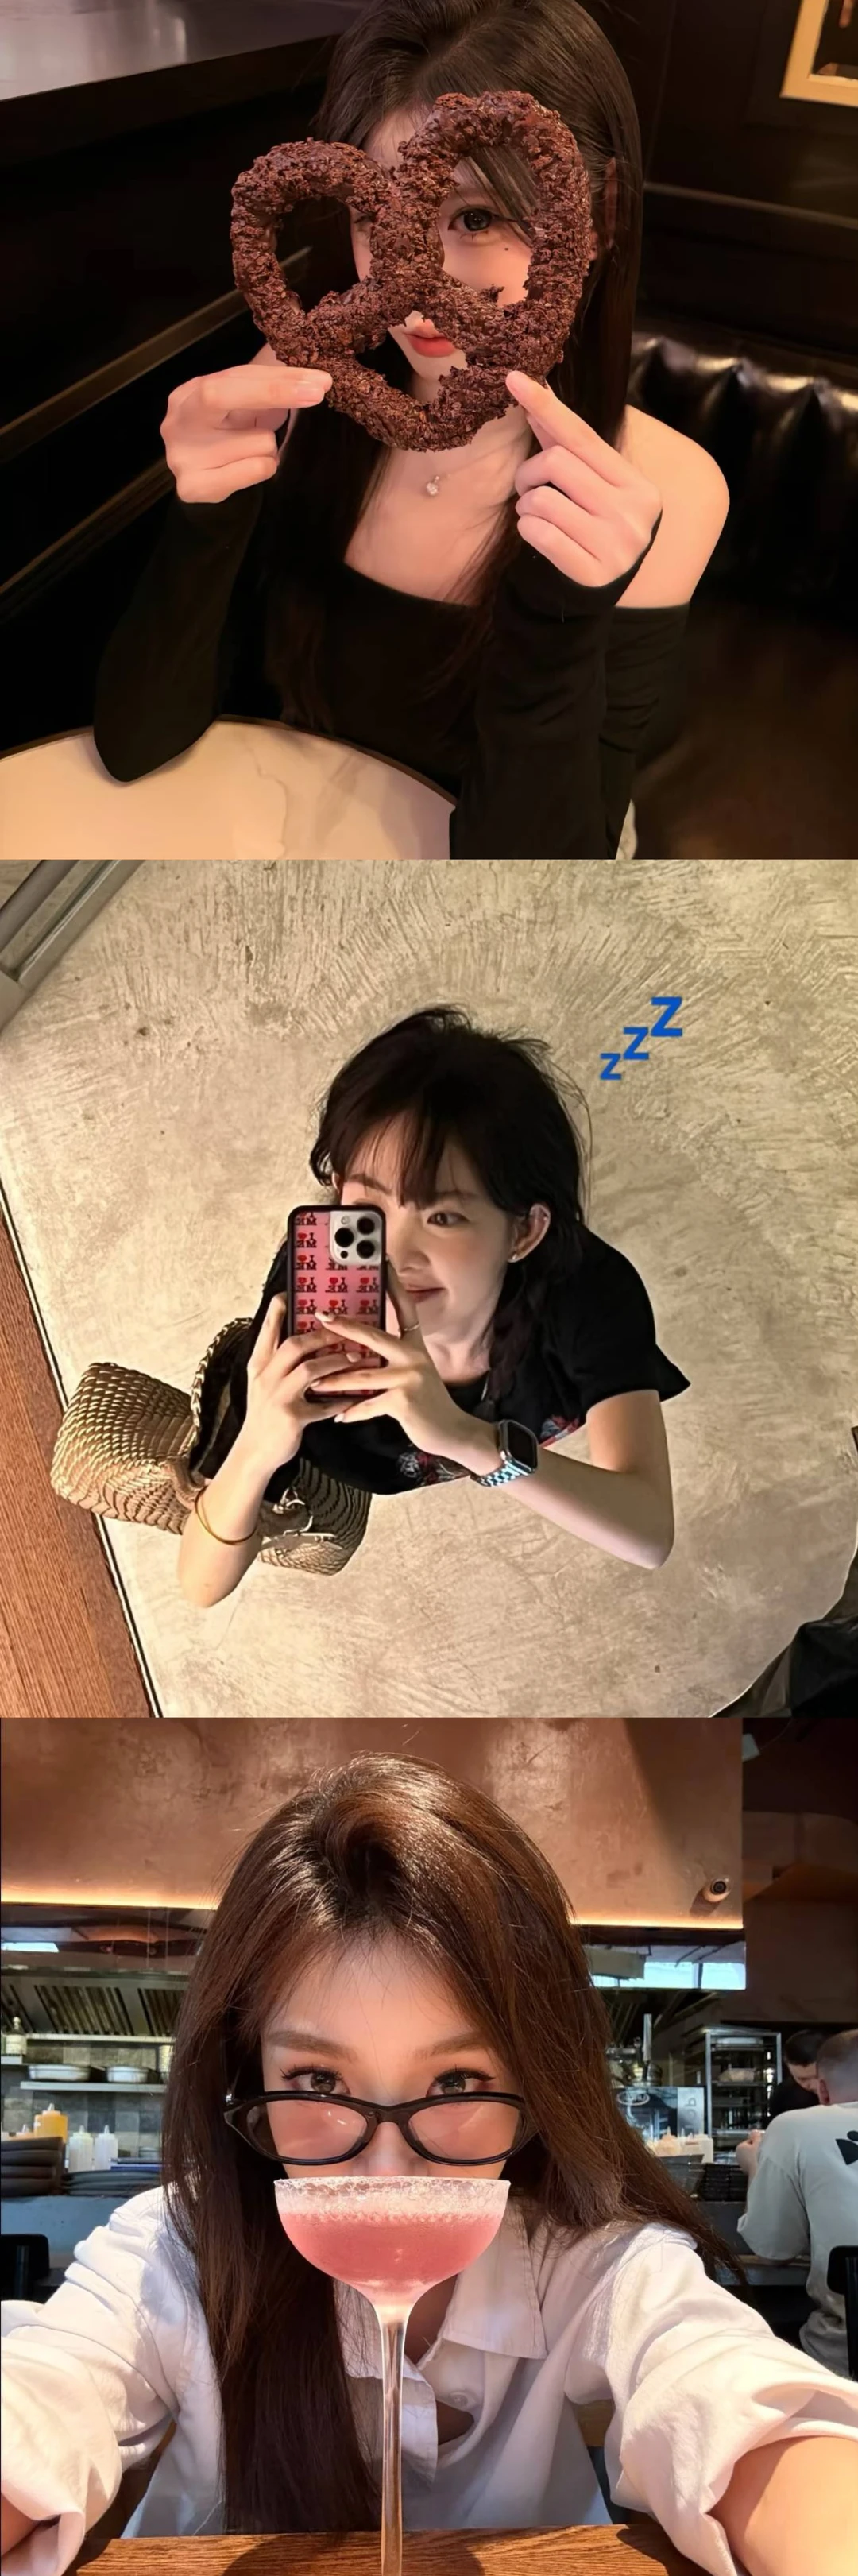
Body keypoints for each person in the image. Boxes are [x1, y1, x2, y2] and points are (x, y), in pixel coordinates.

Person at [2, 1759, 856, 2576]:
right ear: (248, 2072)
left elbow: (731, 2392)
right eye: (318, 2081)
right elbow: (43, 2399)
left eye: (456, 2082)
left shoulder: (580, 2257)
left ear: (537, 2085)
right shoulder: (175, 2251)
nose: (387, 2170)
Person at [91, 0, 729, 860]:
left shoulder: (662, 493)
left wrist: (561, 615)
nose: (415, 295)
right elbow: (135, 744)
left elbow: (526, 890)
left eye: (475, 218)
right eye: (375, 220)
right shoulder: (298, 397)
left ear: (597, 224)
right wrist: (205, 517)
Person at [174, 1006, 688, 1606]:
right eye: (368, 1208)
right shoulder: (311, 1297)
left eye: (443, 1216)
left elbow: (648, 1533)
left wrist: (466, 1440)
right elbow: (199, 1585)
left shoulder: (584, 1289)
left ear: (524, 1231)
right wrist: (258, 1445)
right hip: (356, 1458)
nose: (395, 1253)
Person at [736, 2029, 858, 2379]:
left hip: (844, 2356)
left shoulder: (795, 2127)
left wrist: (754, 2166)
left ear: (822, 2090)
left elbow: (773, 2249)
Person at [767, 2031, 825, 2125]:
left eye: (818, 2076)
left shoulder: (847, 2087)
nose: (814, 2085)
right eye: (802, 2079)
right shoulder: (784, 2095)